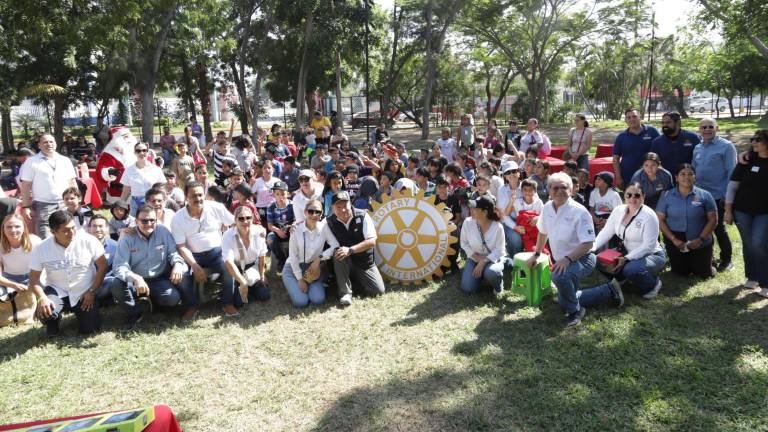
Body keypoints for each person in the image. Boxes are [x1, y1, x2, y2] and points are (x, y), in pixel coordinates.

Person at [526, 173, 596, 327]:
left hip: (583, 257)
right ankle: (609, 290)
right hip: (563, 260)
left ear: (571, 190)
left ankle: (575, 312)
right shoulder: (547, 207)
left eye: (563, 187)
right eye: (555, 188)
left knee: (558, 277)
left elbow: (588, 244)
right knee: (564, 298)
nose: (559, 191)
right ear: (549, 190)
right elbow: (543, 232)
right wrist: (536, 254)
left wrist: (567, 259)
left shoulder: (580, 212)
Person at [29, 210, 108, 336]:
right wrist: (41, 298)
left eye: (73, 228)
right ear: (53, 232)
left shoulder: (89, 241)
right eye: (66, 230)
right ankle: (52, 322)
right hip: (57, 290)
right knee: (46, 309)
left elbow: (103, 266)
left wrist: (92, 292)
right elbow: (33, 279)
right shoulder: (41, 248)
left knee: (90, 330)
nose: (72, 233)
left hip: (84, 291)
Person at [110, 206, 189, 329]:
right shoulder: (127, 236)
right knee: (116, 284)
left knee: (172, 298)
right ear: (136, 221)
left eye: (152, 220)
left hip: (158, 278)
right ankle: (135, 312)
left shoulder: (163, 231)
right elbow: (119, 266)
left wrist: (178, 264)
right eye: (144, 221)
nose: (149, 224)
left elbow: (173, 253)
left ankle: (150, 303)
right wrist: (135, 278)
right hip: (134, 279)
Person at [587, 183, 666, 304]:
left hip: (651, 254)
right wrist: (592, 247)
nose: (632, 198)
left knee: (631, 269)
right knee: (598, 260)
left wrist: (626, 258)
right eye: (629, 195)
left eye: (637, 195)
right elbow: (606, 232)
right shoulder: (618, 210)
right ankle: (621, 279)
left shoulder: (649, 215)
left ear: (643, 197)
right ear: (624, 196)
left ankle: (653, 284)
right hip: (626, 252)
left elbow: (648, 246)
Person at [171, 182, 236, 319]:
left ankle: (227, 302)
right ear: (186, 197)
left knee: (229, 267)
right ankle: (192, 306)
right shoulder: (178, 218)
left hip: (217, 252)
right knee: (181, 274)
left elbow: (235, 222)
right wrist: (194, 265)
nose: (198, 198)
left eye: (200, 195)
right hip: (192, 256)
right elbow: (181, 246)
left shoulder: (216, 207)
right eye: (193, 195)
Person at [724, 130, 768, 296]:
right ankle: (752, 277)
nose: (754, 142)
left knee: (759, 243)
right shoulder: (746, 161)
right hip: (742, 211)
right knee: (748, 244)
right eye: (752, 139)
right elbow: (732, 186)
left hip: (764, 212)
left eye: (758, 139)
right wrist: (728, 211)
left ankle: (766, 282)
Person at [656, 164, 717, 278]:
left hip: (699, 238)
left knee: (704, 274)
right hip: (676, 240)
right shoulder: (667, 195)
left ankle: (710, 261)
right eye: (682, 174)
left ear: (695, 177)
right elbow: (660, 219)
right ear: (676, 177)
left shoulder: (705, 195)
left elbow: (713, 220)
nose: (686, 177)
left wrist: (700, 239)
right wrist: (673, 239)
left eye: (690, 174)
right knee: (680, 273)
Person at [324, 191, 385, 306]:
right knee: (338, 253)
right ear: (332, 207)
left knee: (378, 291)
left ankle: (355, 282)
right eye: (338, 207)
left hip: (364, 261)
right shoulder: (329, 222)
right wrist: (296, 226)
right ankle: (345, 293)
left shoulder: (363, 215)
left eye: (344, 206)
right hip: (345, 262)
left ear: (350, 203)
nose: (342, 210)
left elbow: (372, 241)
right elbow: (313, 225)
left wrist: (350, 250)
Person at [692, 117, 737, 272]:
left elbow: (732, 172)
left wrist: (727, 196)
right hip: (699, 195)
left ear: (717, 128)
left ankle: (727, 260)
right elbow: (693, 170)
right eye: (703, 127)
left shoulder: (727, 147)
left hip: (718, 195)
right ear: (700, 130)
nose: (707, 130)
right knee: (702, 227)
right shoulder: (697, 147)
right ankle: (708, 258)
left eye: (710, 126)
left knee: (718, 229)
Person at [19, 134, 78, 238]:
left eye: (51, 141)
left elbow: (72, 182)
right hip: (43, 205)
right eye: (45, 142)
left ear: (55, 143)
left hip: (65, 203)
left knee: (67, 234)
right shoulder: (32, 162)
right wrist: (26, 206)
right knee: (45, 238)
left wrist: (77, 200)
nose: (49, 144)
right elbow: (25, 186)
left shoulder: (65, 160)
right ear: (39, 145)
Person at [284, 199, 338, 308]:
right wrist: (300, 279)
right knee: (301, 302)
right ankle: (293, 285)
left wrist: (319, 258)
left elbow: (335, 245)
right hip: (293, 269)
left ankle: (308, 286)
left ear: (321, 214)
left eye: (317, 212)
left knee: (318, 299)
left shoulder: (324, 227)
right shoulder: (296, 229)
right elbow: (293, 256)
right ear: (305, 212)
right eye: (310, 211)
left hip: (313, 269)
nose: (314, 215)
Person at [221, 206, 270, 313]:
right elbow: (229, 262)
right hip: (236, 270)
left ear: (252, 219)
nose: (245, 221)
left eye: (248, 218)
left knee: (265, 295)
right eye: (241, 219)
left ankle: (252, 286)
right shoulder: (228, 236)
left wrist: (262, 275)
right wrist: (242, 282)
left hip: (253, 268)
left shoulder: (259, 232)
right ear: (235, 220)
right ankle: (242, 286)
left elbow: (262, 256)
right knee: (238, 303)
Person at [460, 195, 507, 295]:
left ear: (485, 212)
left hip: (492, 259)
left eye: (475, 208)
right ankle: (481, 275)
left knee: (492, 273)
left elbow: (500, 250)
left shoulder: (498, 227)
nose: (471, 209)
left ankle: (498, 286)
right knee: (468, 289)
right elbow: (464, 243)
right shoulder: (467, 222)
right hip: (474, 258)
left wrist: (484, 261)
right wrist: (475, 257)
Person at [612, 108, 660, 189]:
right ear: (625, 120)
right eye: (629, 117)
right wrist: (618, 177)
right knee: (631, 200)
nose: (632, 119)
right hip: (628, 177)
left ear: (640, 117)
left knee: (651, 200)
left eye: (634, 116)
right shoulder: (621, 137)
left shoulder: (652, 131)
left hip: (651, 175)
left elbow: (661, 149)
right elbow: (616, 159)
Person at [0, 215, 41, 309]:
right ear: (3, 229)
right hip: (9, 280)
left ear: (24, 228)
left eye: (17, 226)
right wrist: (14, 285)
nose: (13, 230)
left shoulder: (35, 241)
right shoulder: (0, 246)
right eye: (9, 227)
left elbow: (45, 267)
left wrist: (34, 283)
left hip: (34, 277)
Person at [120, 142, 166, 216]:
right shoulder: (129, 170)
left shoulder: (156, 169)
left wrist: (164, 202)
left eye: (144, 150)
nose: (141, 153)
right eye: (138, 151)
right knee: (134, 225)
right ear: (135, 153)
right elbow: (125, 192)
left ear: (148, 152)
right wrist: (120, 205)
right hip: (135, 204)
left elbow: (163, 189)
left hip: (153, 203)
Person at [650, 111, 700, 177]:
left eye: (668, 122)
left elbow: (700, 160)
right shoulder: (657, 142)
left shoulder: (692, 138)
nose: (665, 125)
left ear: (677, 122)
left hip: (688, 179)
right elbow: (654, 163)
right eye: (663, 123)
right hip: (666, 181)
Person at [88, 215, 118, 304]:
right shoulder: (82, 246)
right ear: (89, 228)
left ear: (107, 228)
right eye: (94, 226)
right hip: (87, 283)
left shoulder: (115, 246)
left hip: (105, 283)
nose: (97, 229)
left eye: (101, 226)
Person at [266, 181, 294, 272]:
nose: (280, 196)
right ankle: (281, 259)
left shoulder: (292, 206)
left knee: (297, 235)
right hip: (277, 231)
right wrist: (278, 231)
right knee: (270, 239)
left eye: (283, 194)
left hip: (290, 230)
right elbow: (270, 225)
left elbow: (297, 220)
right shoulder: (271, 207)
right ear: (274, 195)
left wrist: (290, 227)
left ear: (288, 194)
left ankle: (292, 258)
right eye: (277, 194)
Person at [251, 162, 279, 228]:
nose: (267, 170)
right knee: (263, 228)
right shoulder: (257, 181)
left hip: (274, 208)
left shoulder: (277, 181)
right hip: (261, 208)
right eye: (265, 168)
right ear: (262, 170)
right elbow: (250, 193)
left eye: (269, 168)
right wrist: (251, 184)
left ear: (273, 169)